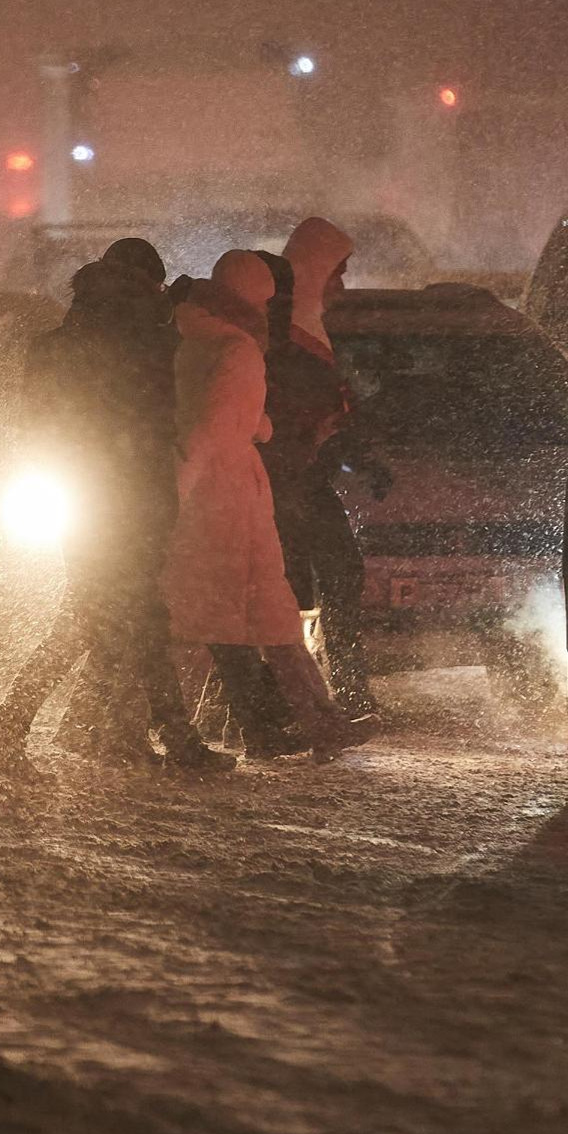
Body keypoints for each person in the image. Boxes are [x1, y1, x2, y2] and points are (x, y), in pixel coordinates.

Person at [0, 257, 230, 774]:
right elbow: (156, 401)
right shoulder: (134, 344)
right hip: (125, 504)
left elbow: (43, 422)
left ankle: (18, 732)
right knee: (119, 621)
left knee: (106, 622)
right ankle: (169, 740)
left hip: (85, 503)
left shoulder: (55, 346)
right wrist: (167, 313)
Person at [164, 250, 357, 760]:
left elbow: (214, 419)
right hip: (230, 499)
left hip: (209, 497)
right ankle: (313, 724)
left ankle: (272, 726)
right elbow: (215, 429)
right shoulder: (238, 349)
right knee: (256, 615)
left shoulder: (191, 341)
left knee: (205, 619)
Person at [267, 218, 376, 717]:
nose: (343, 284)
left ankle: (343, 687)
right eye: (339, 273)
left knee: (335, 573)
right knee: (289, 588)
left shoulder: (308, 328)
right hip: (285, 479)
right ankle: (306, 699)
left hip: (301, 478)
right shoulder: (286, 336)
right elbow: (295, 413)